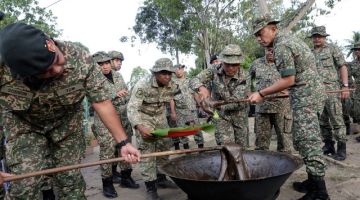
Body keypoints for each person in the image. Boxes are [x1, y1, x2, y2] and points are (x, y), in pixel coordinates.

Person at [0, 23, 140, 199]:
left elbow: (102, 102)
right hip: (24, 126)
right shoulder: (3, 70)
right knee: (25, 184)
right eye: (46, 71)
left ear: (50, 43)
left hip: (66, 126)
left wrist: (124, 143)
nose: (57, 69)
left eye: (56, 60)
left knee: (70, 182)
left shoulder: (80, 58)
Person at [248, 15, 329, 200]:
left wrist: (261, 93)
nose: (259, 38)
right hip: (306, 94)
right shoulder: (286, 41)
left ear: (273, 28)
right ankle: (312, 181)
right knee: (302, 139)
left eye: (261, 33)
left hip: (306, 96)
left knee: (309, 141)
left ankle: (320, 193)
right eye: (256, 36)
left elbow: (288, 80)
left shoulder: (281, 46)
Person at [127, 58, 178, 200]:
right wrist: (140, 126)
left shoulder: (172, 85)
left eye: (169, 73)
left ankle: (161, 178)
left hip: (160, 117)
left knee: (164, 148)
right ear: (155, 73)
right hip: (144, 117)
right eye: (163, 73)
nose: (167, 76)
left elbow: (184, 93)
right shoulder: (143, 85)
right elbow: (132, 107)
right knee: (147, 152)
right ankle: (151, 187)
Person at [190, 44, 250, 148]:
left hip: (240, 116)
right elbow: (194, 80)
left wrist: (213, 104)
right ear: (222, 61)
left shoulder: (245, 76)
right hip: (221, 117)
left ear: (239, 63)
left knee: (242, 148)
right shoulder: (213, 69)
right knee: (227, 148)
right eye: (227, 64)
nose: (230, 68)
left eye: (234, 64)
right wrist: (201, 88)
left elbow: (236, 102)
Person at [309, 26, 349, 161]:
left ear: (325, 37)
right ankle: (328, 145)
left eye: (319, 36)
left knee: (337, 119)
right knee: (322, 120)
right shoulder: (309, 53)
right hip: (316, 92)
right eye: (314, 36)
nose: (317, 38)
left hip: (332, 90)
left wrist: (345, 86)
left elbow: (342, 66)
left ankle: (341, 148)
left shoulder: (332, 49)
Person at [248, 47, 292, 153]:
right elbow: (245, 79)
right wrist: (249, 93)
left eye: (273, 50)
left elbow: (296, 78)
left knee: (284, 142)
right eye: (268, 49)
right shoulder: (256, 63)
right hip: (262, 107)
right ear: (264, 50)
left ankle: (284, 165)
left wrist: (290, 91)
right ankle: (262, 165)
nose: (270, 52)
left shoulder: (285, 61)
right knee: (261, 144)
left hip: (282, 107)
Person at [107, 50, 139, 189]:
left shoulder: (119, 76)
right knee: (111, 148)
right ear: (109, 61)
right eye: (117, 60)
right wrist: (114, 94)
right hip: (109, 117)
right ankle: (112, 174)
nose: (119, 63)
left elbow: (125, 92)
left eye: (120, 61)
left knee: (126, 144)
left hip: (123, 116)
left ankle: (126, 176)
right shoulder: (98, 77)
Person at [169, 64, 204, 150]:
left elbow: (195, 94)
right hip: (180, 111)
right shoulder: (172, 83)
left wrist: (201, 105)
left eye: (180, 69)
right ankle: (186, 149)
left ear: (183, 70)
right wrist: (173, 112)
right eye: (176, 69)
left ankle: (201, 148)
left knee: (197, 129)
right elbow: (171, 98)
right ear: (174, 72)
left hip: (192, 109)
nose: (178, 71)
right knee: (182, 131)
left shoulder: (189, 81)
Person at [347, 43, 360, 142]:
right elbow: (348, 75)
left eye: (359, 49)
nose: (357, 51)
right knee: (357, 112)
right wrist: (351, 85)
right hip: (357, 91)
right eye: (355, 50)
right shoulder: (352, 64)